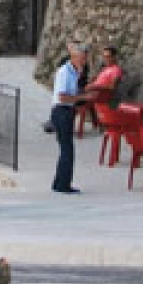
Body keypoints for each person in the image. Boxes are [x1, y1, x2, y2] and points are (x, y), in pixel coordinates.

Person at [50, 43, 90, 194]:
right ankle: (63, 184)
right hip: (62, 111)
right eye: (82, 58)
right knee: (67, 149)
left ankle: (59, 182)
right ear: (74, 57)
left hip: (66, 111)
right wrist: (83, 96)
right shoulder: (65, 72)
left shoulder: (74, 72)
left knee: (65, 148)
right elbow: (62, 96)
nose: (84, 61)